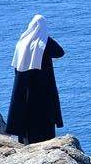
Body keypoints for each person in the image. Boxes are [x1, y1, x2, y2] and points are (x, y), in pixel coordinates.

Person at [5, 14, 65, 144]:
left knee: (24, 114)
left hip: (23, 88)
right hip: (43, 88)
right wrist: (47, 37)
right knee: (44, 116)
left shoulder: (22, 42)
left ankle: (25, 141)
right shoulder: (44, 43)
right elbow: (60, 52)